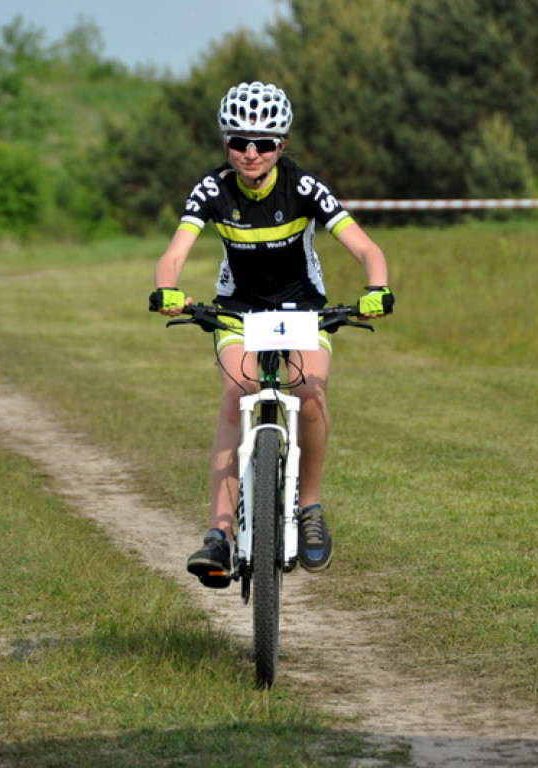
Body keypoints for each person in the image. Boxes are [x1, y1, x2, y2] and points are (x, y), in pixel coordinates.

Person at [149, 81, 393, 589]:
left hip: (303, 305)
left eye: (264, 142)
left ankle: (309, 506)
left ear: (282, 145)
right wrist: (167, 288)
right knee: (236, 389)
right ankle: (218, 532)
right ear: (226, 145)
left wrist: (377, 288)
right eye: (239, 142)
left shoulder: (304, 187)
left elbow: (367, 248)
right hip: (238, 308)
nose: (250, 153)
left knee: (309, 391)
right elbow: (175, 253)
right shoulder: (212, 188)